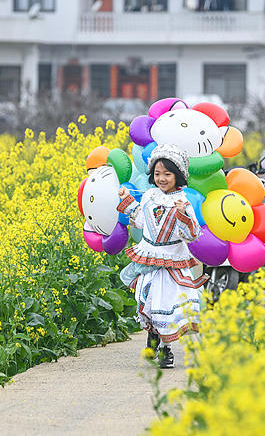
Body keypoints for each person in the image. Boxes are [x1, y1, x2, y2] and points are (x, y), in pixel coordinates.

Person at [116, 144, 204, 369]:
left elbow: (192, 234)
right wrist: (127, 200)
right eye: (157, 174)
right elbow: (142, 220)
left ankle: (166, 350)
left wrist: (183, 213)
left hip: (172, 261)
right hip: (149, 256)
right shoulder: (149, 196)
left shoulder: (182, 201)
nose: (162, 178)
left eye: (167, 174)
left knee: (167, 303)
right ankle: (152, 337)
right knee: (147, 299)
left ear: (178, 175)